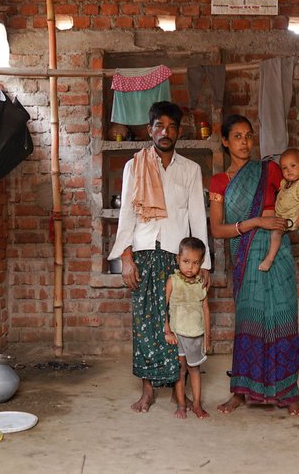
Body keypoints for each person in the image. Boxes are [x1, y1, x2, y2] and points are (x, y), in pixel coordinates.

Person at [107, 101, 211, 413]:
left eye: (171, 126)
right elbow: (126, 213)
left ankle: (181, 394)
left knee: (177, 324)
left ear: (179, 131)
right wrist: (126, 256)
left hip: (177, 257)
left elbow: (197, 217)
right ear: (150, 129)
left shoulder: (190, 170)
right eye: (159, 126)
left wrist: (203, 264)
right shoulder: (133, 166)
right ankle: (148, 390)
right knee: (145, 324)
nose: (165, 132)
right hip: (142, 253)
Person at [209, 115, 299, 417]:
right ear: (226, 142)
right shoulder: (219, 181)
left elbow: (297, 189)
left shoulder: (268, 169)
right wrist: (256, 221)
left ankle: (288, 393)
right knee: (249, 320)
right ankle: (241, 392)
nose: (244, 141)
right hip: (245, 256)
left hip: (276, 253)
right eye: (237, 136)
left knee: (283, 316)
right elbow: (217, 229)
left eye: (249, 135)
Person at [164, 237, 212, 419]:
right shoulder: (173, 281)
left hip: (196, 334)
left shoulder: (201, 283)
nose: (190, 267)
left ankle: (197, 405)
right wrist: (167, 330)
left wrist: (208, 337)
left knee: (194, 370)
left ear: (201, 263)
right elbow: (164, 306)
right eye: (186, 262)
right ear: (178, 259)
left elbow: (205, 309)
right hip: (177, 334)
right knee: (180, 370)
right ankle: (182, 405)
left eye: (195, 263)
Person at [258, 147, 299, 272]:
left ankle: (269, 259)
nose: (289, 170)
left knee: (276, 233)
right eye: (284, 168)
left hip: (290, 219)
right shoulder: (285, 183)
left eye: (293, 166)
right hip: (281, 216)